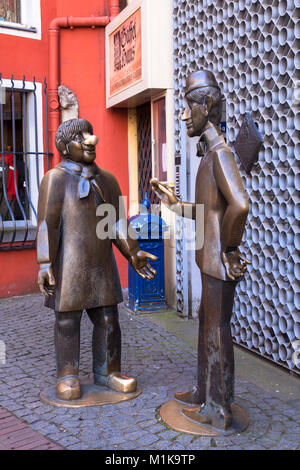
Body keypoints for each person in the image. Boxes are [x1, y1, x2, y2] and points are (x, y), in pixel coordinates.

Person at [151, 70, 250, 431]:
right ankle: (204, 391)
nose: (183, 114)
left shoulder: (221, 155)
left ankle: (219, 408)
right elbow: (210, 211)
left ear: (206, 106)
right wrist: (177, 205)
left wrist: (228, 249)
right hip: (208, 260)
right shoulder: (210, 155)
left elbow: (240, 205)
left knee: (216, 330)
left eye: (188, 105)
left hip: (216, 261)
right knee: (207, 325)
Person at [37, 118, 157, 400]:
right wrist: (44, 262)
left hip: (101, 263)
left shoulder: (107, 180)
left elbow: (117, 223)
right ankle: (67, 375)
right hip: (69, 263)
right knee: (67, 321)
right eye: (81, 137)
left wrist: (133, 252)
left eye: (90, 134)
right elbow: (47, 225)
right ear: (66, 147)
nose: (90, 140)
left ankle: (108, 371)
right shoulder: (55, 179)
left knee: (108, 319)